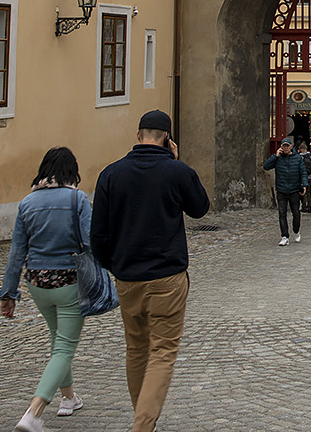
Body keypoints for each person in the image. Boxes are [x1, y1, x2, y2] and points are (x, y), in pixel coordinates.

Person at [91, 110, 210, 432]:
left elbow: (97, 233)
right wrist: (177, 162)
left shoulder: (111, 174)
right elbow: (200, 208)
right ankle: (143, 426)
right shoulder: (176, 171)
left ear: (138, 135)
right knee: (163, 351)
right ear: (168, 139)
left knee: (136, 349)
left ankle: (143, 418)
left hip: (127, 276)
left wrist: (112, 266)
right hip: (167, 275)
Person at [0, 147, 90, 432]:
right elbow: (90, 243)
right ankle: (33, 413)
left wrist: (9, 294)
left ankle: (69, 399)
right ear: (71, 172)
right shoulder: (78, 199)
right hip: (69, 282)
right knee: (64, 347)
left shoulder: (27, 202)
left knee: (57, 339)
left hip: (37, 283)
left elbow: (16, 253)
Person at [264, 137, 309, 244]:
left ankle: (296, 231)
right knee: (282, 214)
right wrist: (275, 156)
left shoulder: (297, 158)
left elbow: (303, 172)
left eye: (287, 146)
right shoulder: (278, 158)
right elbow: (266, 166)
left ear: (291, 147)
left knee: (296, 213)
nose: (285, 148)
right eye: (283, 146)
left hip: (294, 189)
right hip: (281, 189)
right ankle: (284, 236)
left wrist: (304, 185)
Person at [298, 141, 311, 213]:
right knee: (309, 192)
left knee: (303, 192)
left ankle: (304, 206)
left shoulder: (299, 156)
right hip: (310, 177)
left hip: (302, 177)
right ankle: (310, 206)